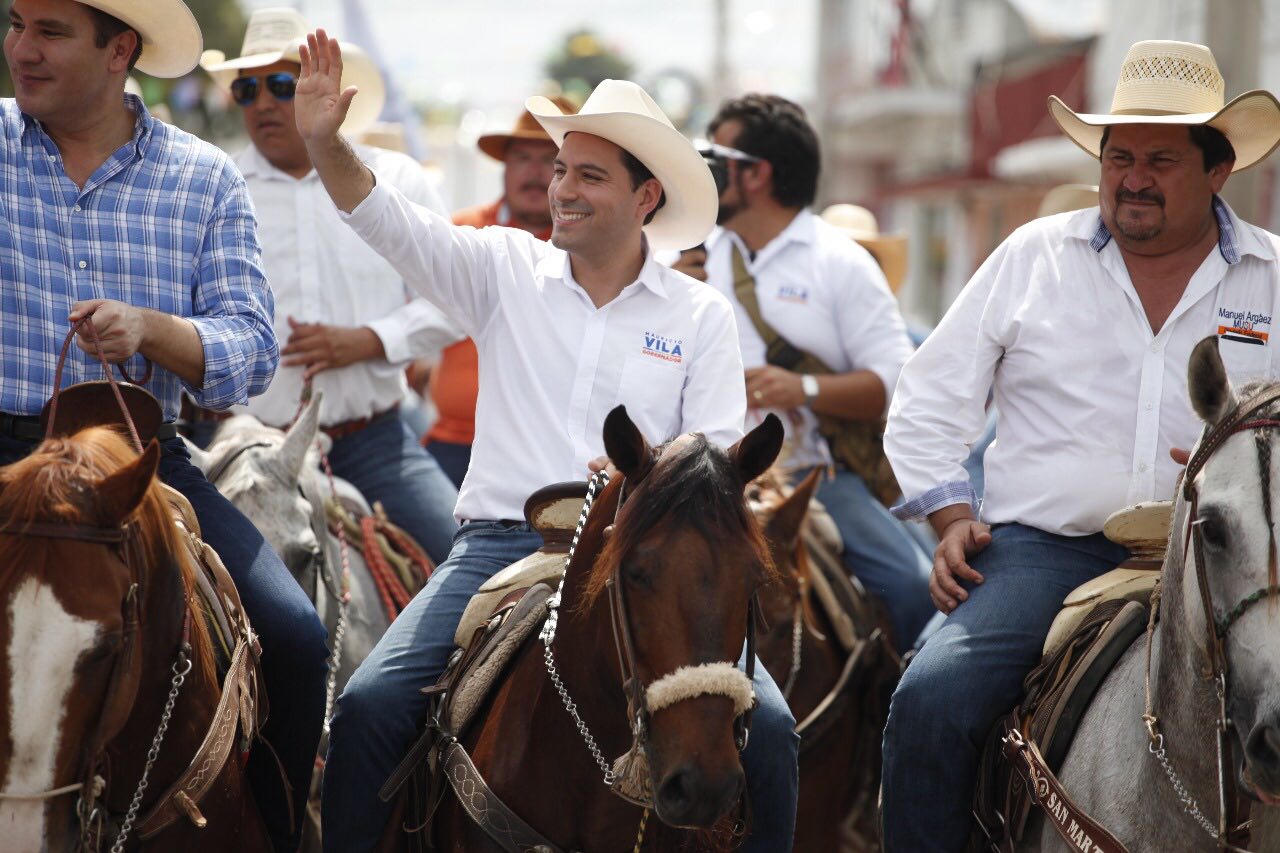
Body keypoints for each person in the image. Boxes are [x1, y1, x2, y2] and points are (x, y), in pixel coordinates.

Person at [290, 33, 799, 852]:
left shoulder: (698, 313)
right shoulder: (502, 267)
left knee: (770, 730)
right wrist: (325, 141)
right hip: (501, 547)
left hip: (649, 560)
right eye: (562, 170)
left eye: (588, 175)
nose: (561, 189)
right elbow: (387, 220)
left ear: (646, 198)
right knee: (370, 705)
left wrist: (649, 471)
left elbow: (715, 456)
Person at [879, 39, 1280, 850]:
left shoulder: (1274, 276)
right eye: (1118, 156)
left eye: (1160, 159)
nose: (1132, 177)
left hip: (1229, 559)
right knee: (931, 697)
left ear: (1218, 169)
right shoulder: (1033, 257)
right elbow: (924, 401)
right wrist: (951, 514)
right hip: (1046, 553)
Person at [0, 1, 328, 850]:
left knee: (293, 638)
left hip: (140, 463)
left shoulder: (204, 176)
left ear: (120, 51)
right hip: (4, 451)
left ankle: (278, 831)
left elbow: (254, 350)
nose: (20, 49)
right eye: (14, 23)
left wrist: (154, 329)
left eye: (49, 32)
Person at [201, 7, 460, 564]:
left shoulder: (398, 179)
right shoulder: (211, 187)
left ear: (327, 88)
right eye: (247, 88)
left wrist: (368, 340)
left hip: (373, 443)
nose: (265, 101)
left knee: (470, 571)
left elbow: (457, 300)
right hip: (245, 449)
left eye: (281, 83)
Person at [683, 93, 931, 653]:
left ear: (756, 175)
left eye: (714, 158)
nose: (702, 174)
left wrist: (805, 389)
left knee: (914, 588)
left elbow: (897, 383)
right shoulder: (687, 253)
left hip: (808, 480)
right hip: (694, 480)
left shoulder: (839, 261)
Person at [423, 97, 575, 488]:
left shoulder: (588, 250)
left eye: (553, 162)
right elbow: (413, 312)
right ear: (505, 166)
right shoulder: (462, 230)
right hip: (454, 441)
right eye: (522, 157)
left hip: (550, 454)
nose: (535, 173)